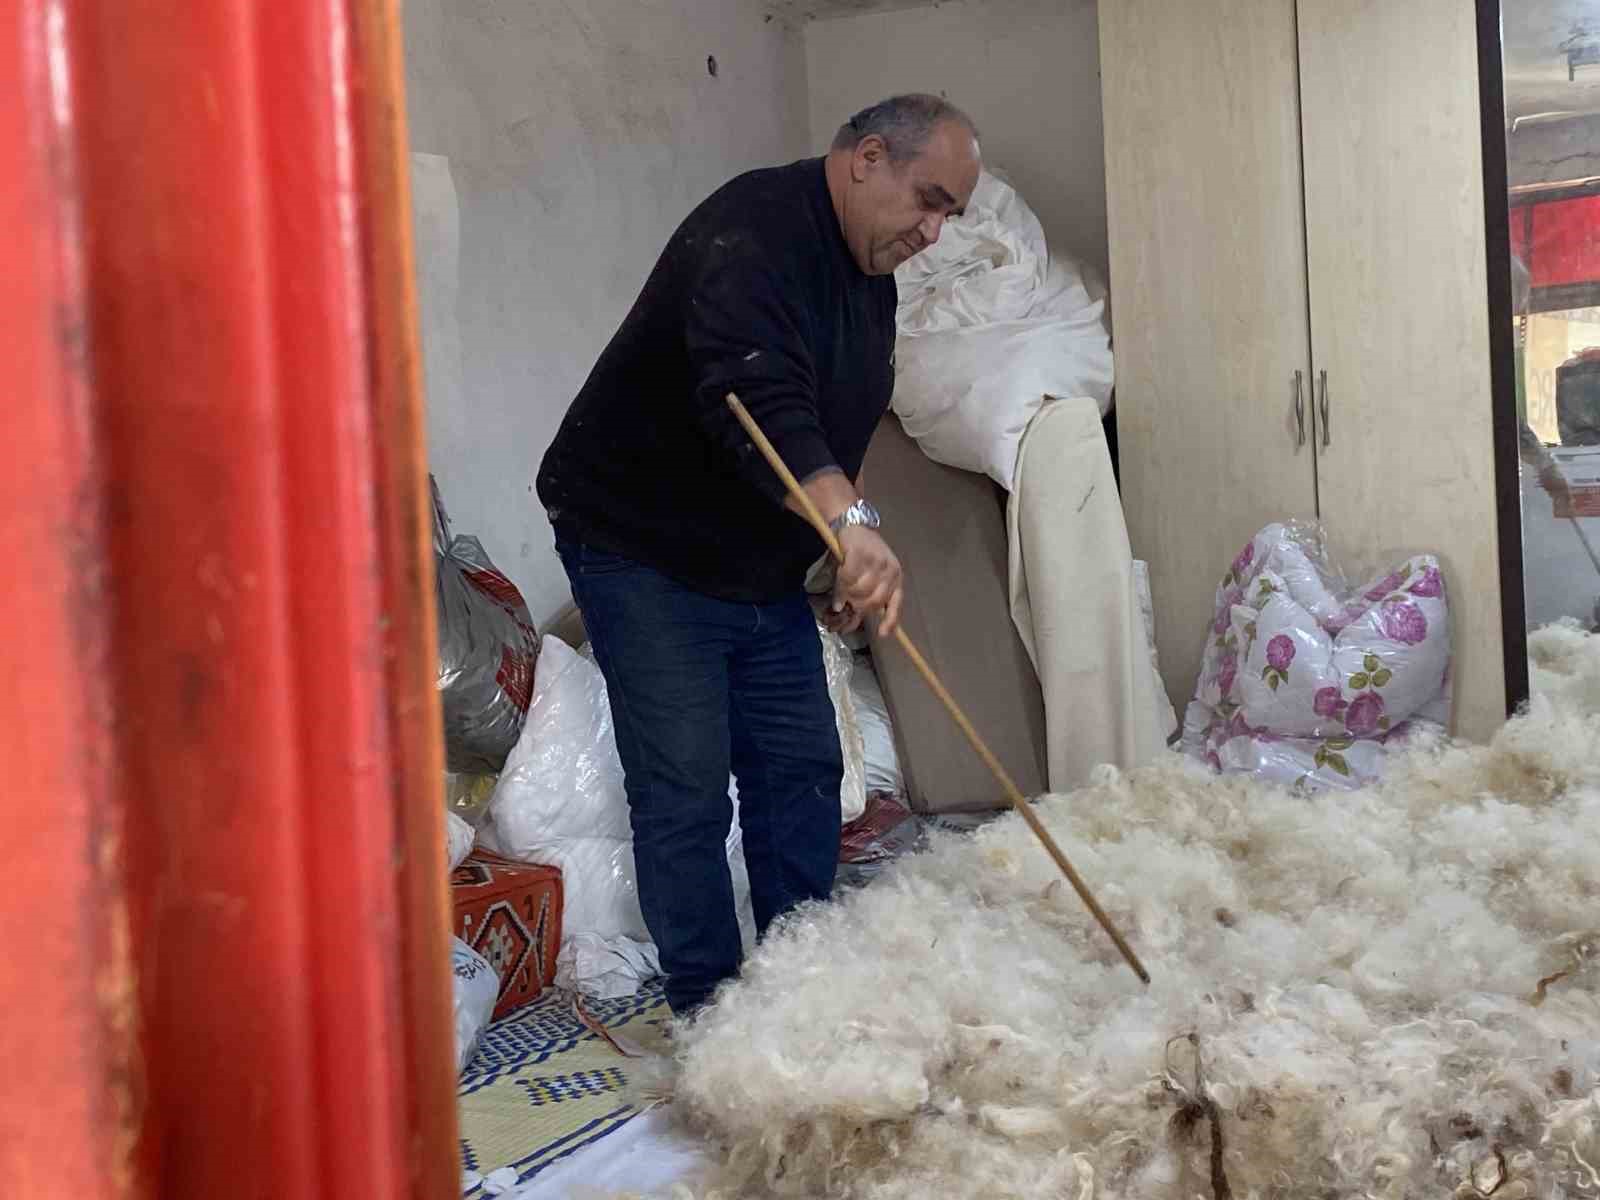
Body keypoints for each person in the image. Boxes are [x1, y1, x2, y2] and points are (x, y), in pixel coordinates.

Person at [536, 94, 981, 1015]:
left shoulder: (872, 277)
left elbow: (836, 422)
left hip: (753, 555)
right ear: (867, 159)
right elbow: (758, 401)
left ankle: (799, 981)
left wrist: (832, 549)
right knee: (686, 781)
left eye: (952, 214)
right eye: (929, 199)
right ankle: (711, 1006)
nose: (934, 232)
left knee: (800, 763)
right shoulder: (751, 234)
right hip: (638, 540)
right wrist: (851, 523)